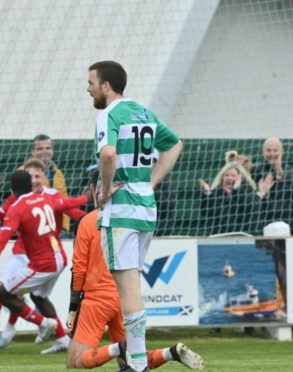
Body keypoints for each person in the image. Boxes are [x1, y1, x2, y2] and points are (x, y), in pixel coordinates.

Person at [88, 60, 182, 372]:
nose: (87, 89)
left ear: (106, 85)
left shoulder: (109, 114)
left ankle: (138, 363)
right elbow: (174, 145)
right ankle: (138, 360)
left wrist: (104, 190)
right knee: (131, 285)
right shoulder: (144, 112)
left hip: (122, 210)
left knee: (127, 287)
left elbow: (108, 154)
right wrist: (151, 182)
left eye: (91, 83)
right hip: (145, 207)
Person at [0, 159, 88, 352]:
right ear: (29, 183)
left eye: (38, 175)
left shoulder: (19, 207)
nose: (35, 180)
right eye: (32, 176)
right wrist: (88, 198)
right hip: (58, 257)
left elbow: (1, 242)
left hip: (42, 262)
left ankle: (42, 324)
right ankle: (62, 339)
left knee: (2, 293)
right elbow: (69, 204)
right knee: (38, 297)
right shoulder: (49, 198)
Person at [67, 208, 204, 370]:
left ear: (94, 189)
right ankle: (170, 353)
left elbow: (79, 269)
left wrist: (73, 308)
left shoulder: (89, 220)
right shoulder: (132, 217)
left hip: (97, 298)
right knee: (133, 360)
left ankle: (118, 348)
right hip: (126, 296)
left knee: (74, 362)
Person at [199, 151, 272, 235]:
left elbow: (248, 207)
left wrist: (237, 189)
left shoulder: (248, 190)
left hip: (243, 235)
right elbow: (206, 212)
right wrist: (207, 193)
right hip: (220, 236)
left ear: (240, 176)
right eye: (227, 175)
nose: (229, 178)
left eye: (233, 175)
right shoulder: (217, 192)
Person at [252, 137, 293, 232]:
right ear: (263, 152)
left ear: (282, 152)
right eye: (268, 150)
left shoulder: (289, 170)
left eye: (275, 150)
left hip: (289, 224)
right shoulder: (257, 170)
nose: (272, 154)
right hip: (265, 224)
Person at [19, 134, 71, 232]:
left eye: (48, 148)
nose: (44, 151)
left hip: (57, 228)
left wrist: (64, 227)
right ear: (32, 151)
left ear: (52, 150)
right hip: (32, 229)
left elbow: (64, 200)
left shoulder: (58, 173)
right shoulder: (22, 173)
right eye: (39, 149)